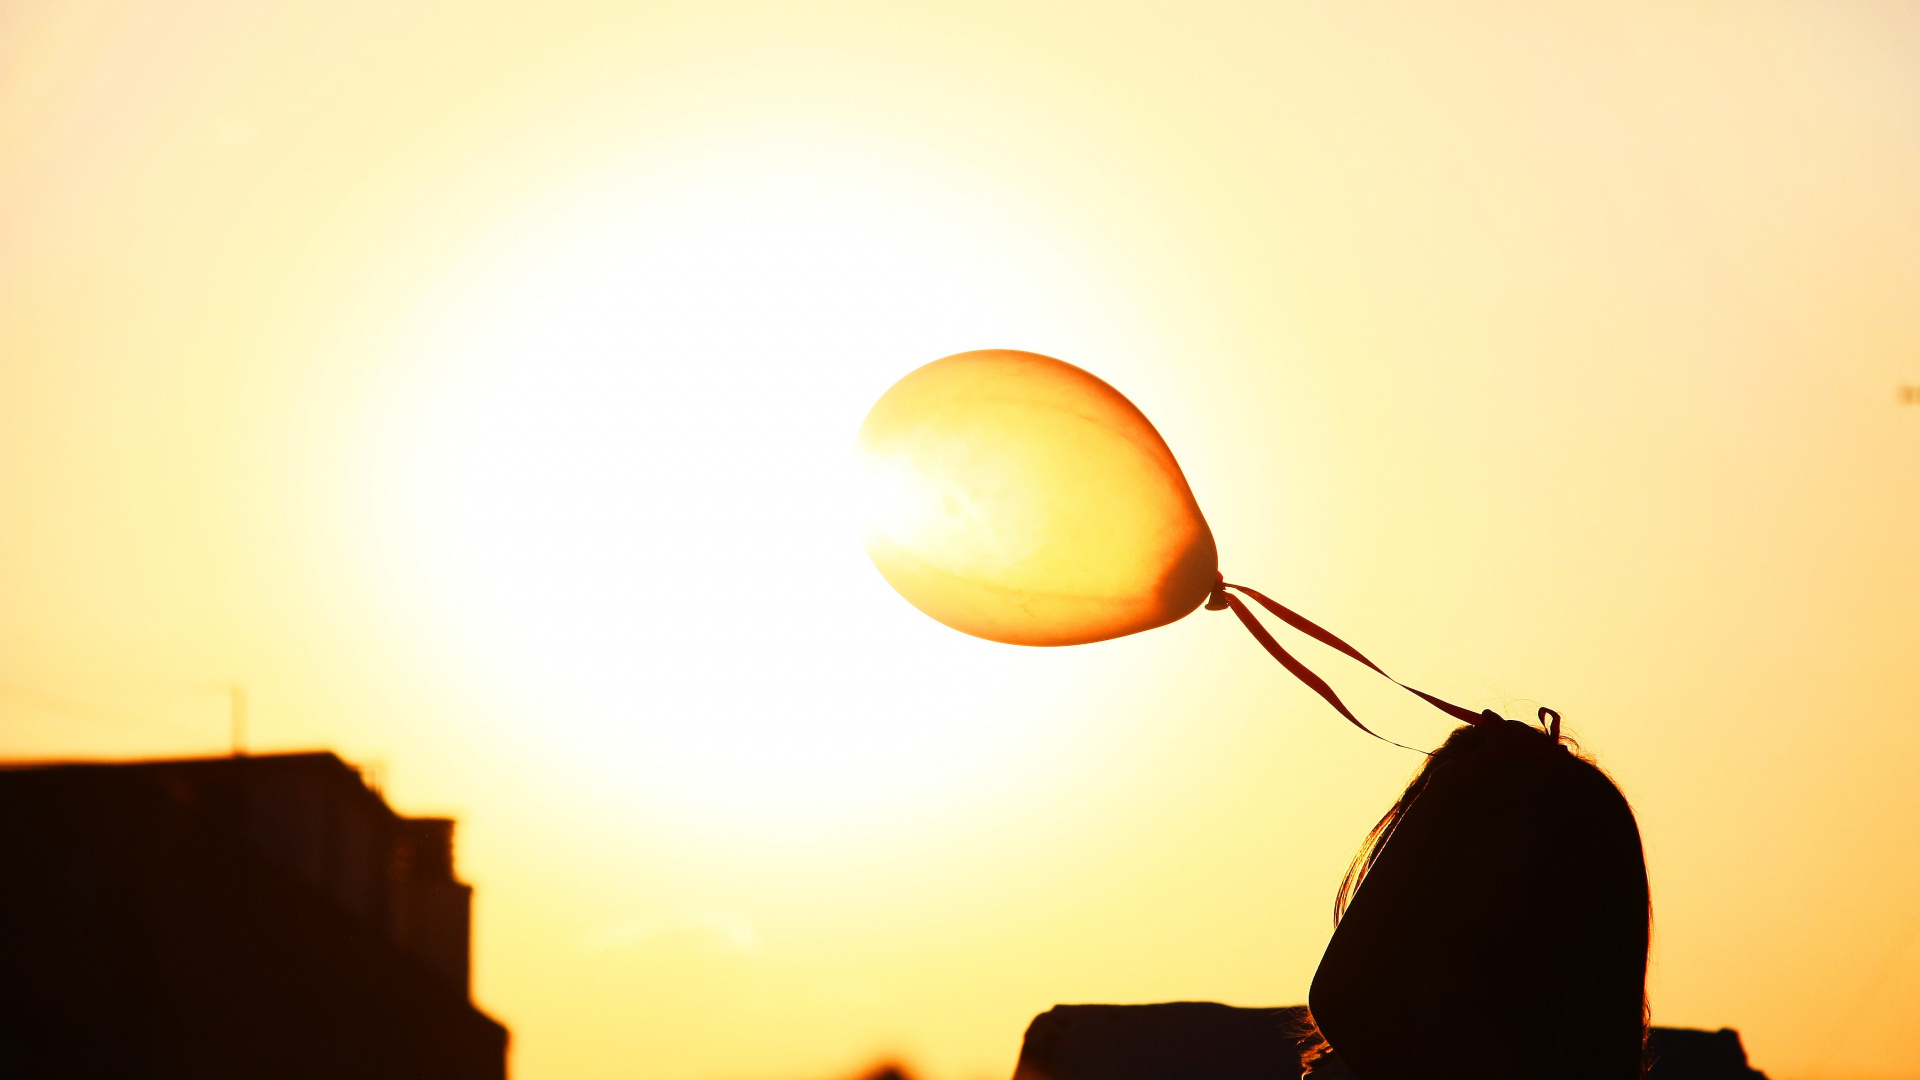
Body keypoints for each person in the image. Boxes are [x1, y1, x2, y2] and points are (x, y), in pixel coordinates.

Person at [1302, 711, 1652, 1079]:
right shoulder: (1547, 1051)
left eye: (1471, 831)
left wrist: (1449, 783)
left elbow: (1341, 1000)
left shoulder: (1476, 1055)